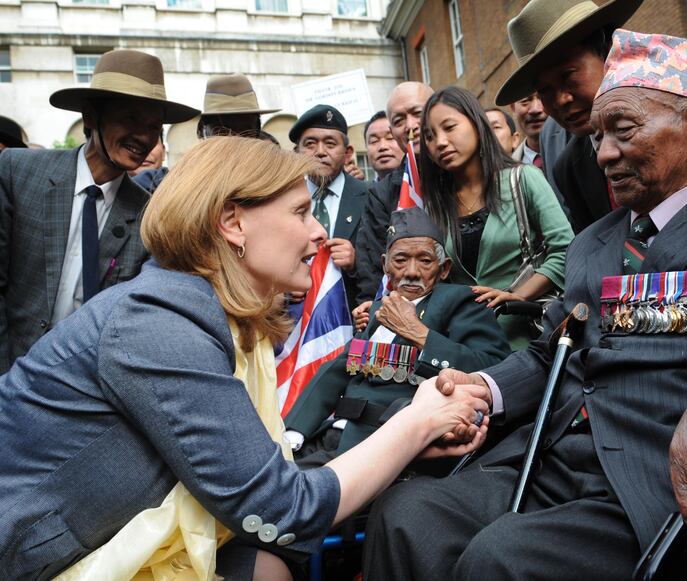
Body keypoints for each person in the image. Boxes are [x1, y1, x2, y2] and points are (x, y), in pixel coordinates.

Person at [363, 29, 687, 580]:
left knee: (499, 560)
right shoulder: (594, 242)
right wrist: (486, 388)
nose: (605, 153)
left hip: (657, 471)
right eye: (597, 137)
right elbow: (554, 349)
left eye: (623, 131)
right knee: (405, 515)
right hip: (550, 453)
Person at [0, 136, 489, 580]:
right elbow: (280, 506)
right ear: (233, 222)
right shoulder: (160, 327)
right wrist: (418, 423)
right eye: (300, 212)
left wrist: (410, 441)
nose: (319, 232)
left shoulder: (208, 316)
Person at [495, 0, 687, 234]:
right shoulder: (569, 170)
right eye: (545, 91)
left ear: (610, 55)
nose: (561, 100)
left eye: (568, 77)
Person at [0, 49, 199, 374]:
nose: (144, 137)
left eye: (154, 126)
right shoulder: (17, 174)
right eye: (131, 119)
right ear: (91, 116)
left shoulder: (149, 213)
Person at [284, 207, 510, 465]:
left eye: (425, 260)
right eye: (401, 260)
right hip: (333, 434)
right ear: (385, 266)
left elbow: (495, 368)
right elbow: (338, 369)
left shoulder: (459, 300)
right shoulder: (380, 308)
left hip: (387, 446)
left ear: (444, 268)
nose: (412, 271)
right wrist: (295, 429)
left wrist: (420, 335)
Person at [420, 86, 573, 350]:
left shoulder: (522, 179)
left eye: (449, 127)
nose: (440, 142)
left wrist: (517, 296)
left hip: (527, 339)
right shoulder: (435, 207)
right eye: (430, 136)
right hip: (467, 346)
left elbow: (565, 249)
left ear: (477, 126)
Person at [354, 81, 434, 305]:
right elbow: (372, 269)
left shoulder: (463, 174)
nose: (410, 126)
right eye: (399, 120)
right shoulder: (381, 194)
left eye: (418, 114)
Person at [290, 104, 369, 310]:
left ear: (347, 152)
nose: (320, 152)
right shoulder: (281, 198)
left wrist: (355, 263)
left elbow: (387, 266)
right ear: (297, 151)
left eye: (330, 143)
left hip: (350, 320)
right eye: (310, 144)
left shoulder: (371, 197)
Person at [197, 73, 280, 139]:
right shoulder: (196, 158)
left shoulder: (270, 152)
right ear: (202, 129)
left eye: (247, 131)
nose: (237, 138)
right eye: (223, 132)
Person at [364, 110, 404, 180]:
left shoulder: (426, 186)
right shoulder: (362, 190)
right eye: (374, 141)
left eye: (390, 137)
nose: (382, 146)